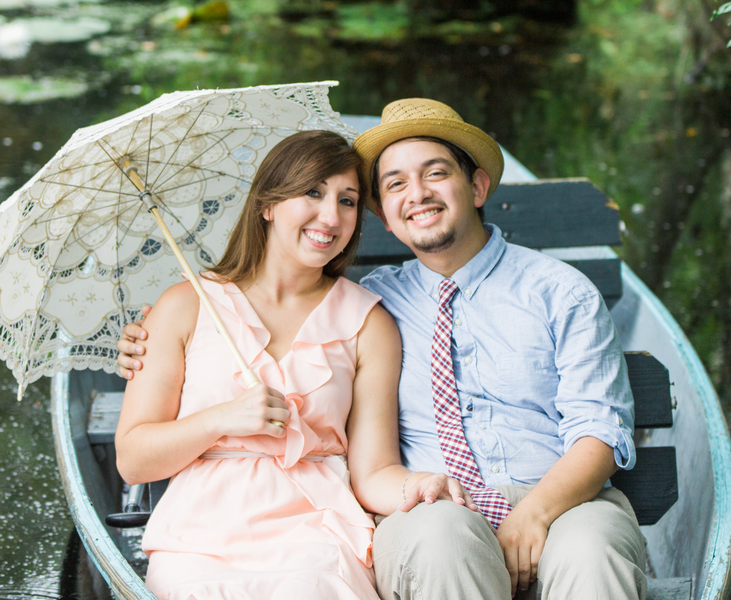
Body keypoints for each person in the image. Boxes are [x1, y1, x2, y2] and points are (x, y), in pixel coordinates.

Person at [119, 100, 648, 600]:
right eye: (395, 184)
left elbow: (599, 428)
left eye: (436, 173)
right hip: (434, 508)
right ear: (387, 217)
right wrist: (155, 339)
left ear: (478, 185)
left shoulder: (559, 292)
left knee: (592, 549)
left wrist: (534, 513)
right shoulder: (384, 299)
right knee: (440, 538)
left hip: (558, 497)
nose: (417, 193)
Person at [114, 129, 477, 600]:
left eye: (348, 201)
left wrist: (421, 483)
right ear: (267, 205)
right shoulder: (185, 305)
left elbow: (372, 472)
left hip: (317, 531)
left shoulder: (369, 322)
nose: (331, 216)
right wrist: (221, 419)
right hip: (200, 536)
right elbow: (133, 460)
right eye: (312, 192)